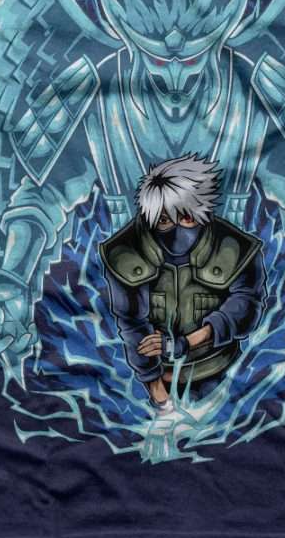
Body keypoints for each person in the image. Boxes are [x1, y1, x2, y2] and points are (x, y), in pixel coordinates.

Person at [99, 154, 266, 406]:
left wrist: (185, 343)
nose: (177, 228)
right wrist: (159, 396)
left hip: (224, 373)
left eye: (186, 217)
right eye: (164, 220)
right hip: (159, 384)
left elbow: (245, 308)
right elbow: (131, 323)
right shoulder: (124, 251)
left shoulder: (238, 248)